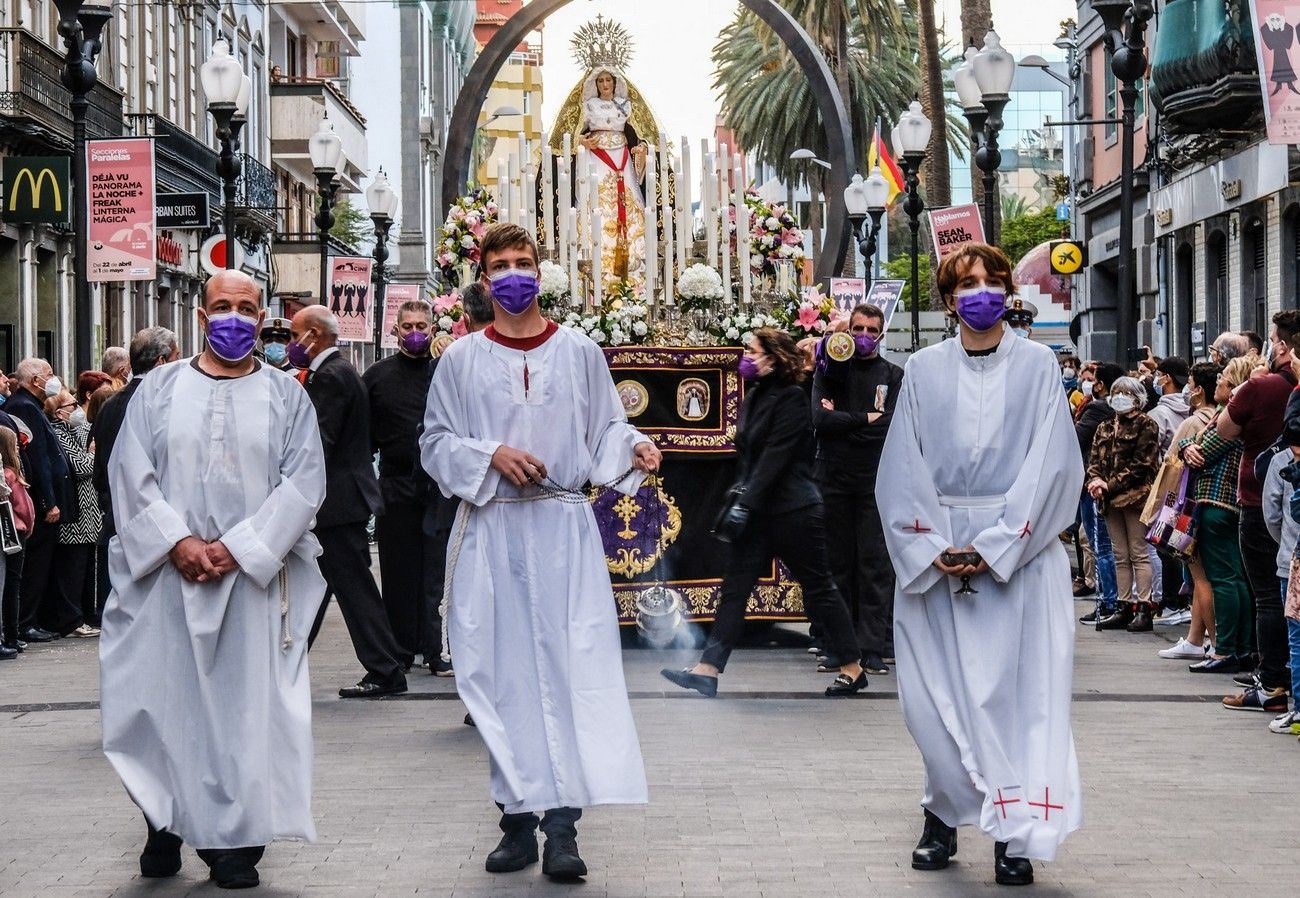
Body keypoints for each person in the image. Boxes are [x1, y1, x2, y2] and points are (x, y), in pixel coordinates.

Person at [420, 223, 660, 880]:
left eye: (523, 263)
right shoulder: (461, 360)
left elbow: (605, 424)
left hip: (561, 530)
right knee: (499, 676)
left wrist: (631, 447)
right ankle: (515, 820)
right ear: (482, 277)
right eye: (500, 265)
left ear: (540, 271)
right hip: (492, 527)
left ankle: (563, 829)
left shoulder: (578, 350)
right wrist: (487, 454)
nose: (513, 275)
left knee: (565, 671)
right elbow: (435, 443)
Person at [100, 269, 328, 889]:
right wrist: (177, 541)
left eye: (246, 308)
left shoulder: (287, 396)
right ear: (202, 318)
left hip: (250, 584)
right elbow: (131, 472)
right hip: (166, 582)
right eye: (221, 307)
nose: (233, 317)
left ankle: (233, 842)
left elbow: (303, 482)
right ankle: (164, 819)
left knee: (241, 710)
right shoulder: (158, 390)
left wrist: (237, 547)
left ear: (262, 318)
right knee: (161, 700)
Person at [877, 243, 1083, 885]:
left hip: (1018, 559)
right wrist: (932, 544)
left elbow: (1052, 463)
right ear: (948, 299)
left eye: (992, 281)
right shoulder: (924, 370)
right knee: (930, 702)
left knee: (1014, 703)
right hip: (933, 554)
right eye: (967, 284)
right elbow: (900, 466)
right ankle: (943, 811)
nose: (981, 293)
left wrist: (995, 545)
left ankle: (1014, 834)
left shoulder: (1039, 368)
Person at [662, 327, 868, 697]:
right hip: (760, 512)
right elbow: (749, 457)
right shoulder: (755, 396)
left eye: (753, 352)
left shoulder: (791, 398)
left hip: (795, 511)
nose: (747, 358)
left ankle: (852, 667)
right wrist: (743, 503)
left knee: (819, 587)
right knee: (735, 588)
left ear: (772, 358)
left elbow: (775, 458)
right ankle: (708, 669)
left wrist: (744, 504)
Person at [291, 305, 408, 698]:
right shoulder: (341, 372)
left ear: (314, 335)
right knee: (324, 585)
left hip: (337, 504)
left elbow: (318, 442)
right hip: (344, 501)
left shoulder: (330, 377)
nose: (292, 344)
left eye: (295, 335)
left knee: (354, 590)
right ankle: (285, 663)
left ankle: (386, 669)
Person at [1211, 311, 1300, 700]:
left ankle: (1272, 678)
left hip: (1259, 496)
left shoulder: (1259, 388)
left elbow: (1224, 430)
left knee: (1269, 593)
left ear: (1280, 345)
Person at [811, 303, 903, 674]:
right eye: (858, 329)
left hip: (874, 482)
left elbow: (889, 425)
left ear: (881, 333)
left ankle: (873, 647)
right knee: (836, 565)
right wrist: (864, 418)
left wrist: (843, 421)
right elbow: (819, 420)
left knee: (874, 565)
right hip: (832, 480)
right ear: (847, 332)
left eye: (871, 330)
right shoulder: (829, 372)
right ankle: (839, 646)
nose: (864, 336)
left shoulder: (893, 375)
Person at [421, 282, 495, 678]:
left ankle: (449, 654)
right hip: (475, 490)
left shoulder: (449, 359)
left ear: (464, 318)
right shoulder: (453, 360)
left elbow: (432, 430)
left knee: (458, 584)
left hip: (458, 491)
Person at [363, 298, 440, 671]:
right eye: (407, 327)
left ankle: (435, 647)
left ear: (432, 329)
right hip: (394, 486)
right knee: (397, 572)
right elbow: (363, 439)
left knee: (436, 573)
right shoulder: (376, 377)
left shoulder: (444, 372)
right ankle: (401, 650)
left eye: (421, 327)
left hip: (439, 489)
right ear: (395, 331)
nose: (414, 333)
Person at [1180, 357, 1254, 675]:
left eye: (1223, 377)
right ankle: (1243, 647)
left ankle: (1225, 649)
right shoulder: (1233, 413)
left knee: (1222, 579)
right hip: (1230, 505)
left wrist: (1186, 444)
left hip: (1216, 502)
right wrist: (1187, 444)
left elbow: (1201, 451)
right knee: (1235, 577)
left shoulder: (1229, 416)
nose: (1218, 382)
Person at [1087, 376, 1161, 632]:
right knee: (1120, 555)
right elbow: (1094, 458)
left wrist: (1111, 484)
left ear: (1137, 398)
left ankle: (1144, 607)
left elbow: (1143, 464)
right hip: (1109, 501)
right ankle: (1122, 605)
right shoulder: (1105, 426)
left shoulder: (1146, 424)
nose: (1119, 396)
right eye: (1116, 391)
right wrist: (1095, 480)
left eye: (1126, 393)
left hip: (1136, 497)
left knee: (1138, 553)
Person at [7, 358, 73, 643]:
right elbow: (38, 458)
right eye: (49, 374)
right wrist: (49, 501)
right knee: (35, 563)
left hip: (43, 497)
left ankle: (30, 619)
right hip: (38, 499)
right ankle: (25, 621)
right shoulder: (24, 406)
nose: (53, 379)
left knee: (41, 562)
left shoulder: (32, 406)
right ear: (35, 380)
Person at [1156, 362, 1220, 658]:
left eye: (1191, 383)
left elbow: (1171, 464)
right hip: (1203, 504)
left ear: (1199, 390)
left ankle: (1217, 644)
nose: (1187, 390)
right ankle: (1195, 639)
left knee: (1200, 576)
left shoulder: (1194, 423)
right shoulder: (1217, 418)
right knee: (1198, 577)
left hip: (1187, 509)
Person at [580, 67, 649, 283]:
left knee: (629, 203)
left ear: (614, 82)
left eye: (608, 80)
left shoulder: (625, 105)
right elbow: (576, 134)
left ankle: (633, 264)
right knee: (598, 202)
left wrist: (641, 148)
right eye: (600, 81)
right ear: (596, 84)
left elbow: (638, 133)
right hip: (598, 158)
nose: (604, 84)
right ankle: (598, 263)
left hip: (621, 159)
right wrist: (583, 142)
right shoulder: (589, 107)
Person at [42, 389, 101, 637]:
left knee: (85, 569)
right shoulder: (58, 434)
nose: (77, 408)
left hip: (88, 513)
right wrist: (92, 454)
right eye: (71, 404)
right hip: (75, 514)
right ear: (58, 411)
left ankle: (86, 614)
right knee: (71, 571)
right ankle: (71, 619)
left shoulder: (73, 431)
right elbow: (80, 466)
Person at [1075, 362, 1125, 623]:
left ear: (1101, 384)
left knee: (1100, 545)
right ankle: (1116, 601)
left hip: (1094, 483)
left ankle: (1108, 602)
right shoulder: (1124, 411)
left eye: (1094, 379)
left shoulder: (1097, 409)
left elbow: (1074, 438)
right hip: (1115, 483)